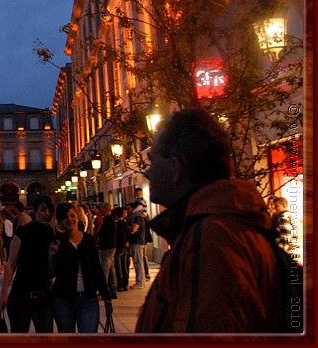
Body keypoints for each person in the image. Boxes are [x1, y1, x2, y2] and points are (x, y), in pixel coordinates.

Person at [136, 109, 289, 333]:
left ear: (177, 167)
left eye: (153, 159)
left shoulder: (212, 239)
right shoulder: (218, 225)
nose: (147, 172)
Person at [49, 203, 113, 333]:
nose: (70, 220)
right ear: (60, 221)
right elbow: (51, 273)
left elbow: (97, 269)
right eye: (65, 217)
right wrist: (51, 256)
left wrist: (107, 298)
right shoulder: (57, 242)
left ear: (78, 218)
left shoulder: (89, 240)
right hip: (63, 300)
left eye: (72, 216)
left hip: (88, 299)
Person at [0, 195, 56, 333]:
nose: (46, 214)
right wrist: (3, 293)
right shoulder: (23, 232)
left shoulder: (53, 235)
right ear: (35, 211)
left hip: (43, 296)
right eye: (42, 210)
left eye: (49, 210)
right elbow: (11, 263)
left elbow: (52, 271)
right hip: (20, 295)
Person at [95, 202, 118, 298]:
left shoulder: (108, 220)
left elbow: (102, 233)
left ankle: (103, 292)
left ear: (105, 209)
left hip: (107, 247)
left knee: (105, 269)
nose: (100, 211)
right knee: (111, 269)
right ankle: (113, 290)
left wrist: (99, 231)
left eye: (101, 209)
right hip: (111, 246)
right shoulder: (110, 219)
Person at [126, 201, 147, 289]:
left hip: (137, 241)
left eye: (128, 208)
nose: (127, 211)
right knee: (138, 262)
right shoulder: (136, 216)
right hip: (136, 241)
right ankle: (141, 281)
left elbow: (134, 228)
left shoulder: (137, 216)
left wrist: (125, 226)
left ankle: (140, 282)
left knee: (138, 262)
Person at [113, 206, 130, 293]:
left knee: (118, 267)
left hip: (118, 247)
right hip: (125, 248)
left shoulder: (116, 225)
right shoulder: (125, 224)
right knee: (125, 266)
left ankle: (120, 285)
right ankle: (125, 284)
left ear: (116, 216)